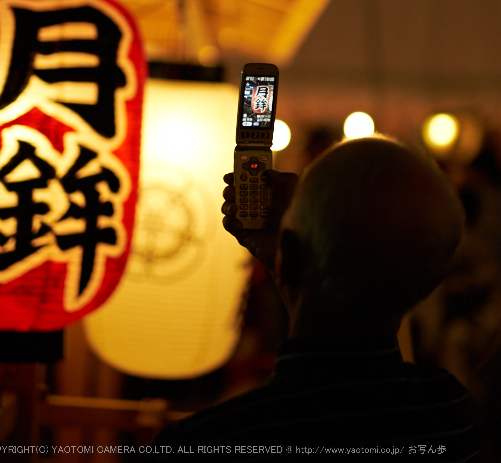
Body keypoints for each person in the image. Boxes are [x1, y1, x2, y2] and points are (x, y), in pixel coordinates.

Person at [153, 136, 481, 461]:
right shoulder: (452, 415)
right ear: (432, 281)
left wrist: (288, 262)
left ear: (292, 255)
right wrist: (287, 259)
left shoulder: (207, 441)